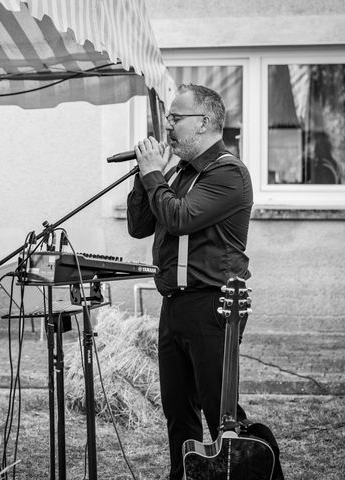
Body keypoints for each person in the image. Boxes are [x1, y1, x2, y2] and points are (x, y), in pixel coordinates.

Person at [127, 84, 254, 480]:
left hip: (213, 305)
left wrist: (153, 176)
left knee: (221, 411)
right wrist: (142, 175)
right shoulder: (178, 173)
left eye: (175, 118)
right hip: (175, 305)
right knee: (178, 411)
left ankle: (250, 472)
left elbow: (181, 217)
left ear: (202, 123)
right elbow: (139, 226)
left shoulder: (228, 171)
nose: (167, 126)